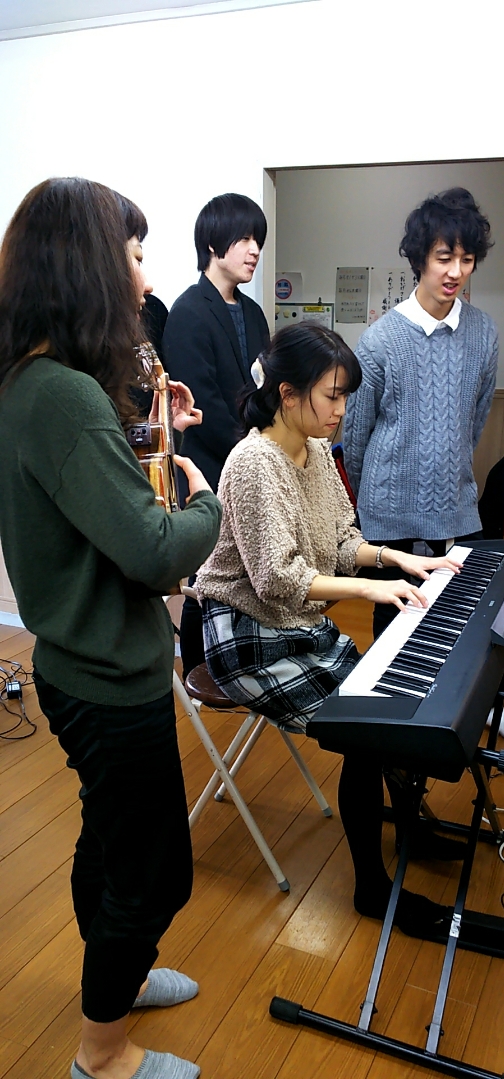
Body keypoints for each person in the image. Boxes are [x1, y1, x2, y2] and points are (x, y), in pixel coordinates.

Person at [0, 177, 223, 1079]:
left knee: (110, 838)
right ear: (89, 266)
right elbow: (154, 549)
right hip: (106, 677)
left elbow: (90, 492)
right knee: (155, 870)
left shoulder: (33, 382)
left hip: (76, 665)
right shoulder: (62, 396)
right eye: (133, 255)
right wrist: (207, 500)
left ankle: (115, 983)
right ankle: (103, 1052)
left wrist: (154, 431)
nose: (145, 276)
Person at [195, 322, 464, 939]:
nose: (342, 410)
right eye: (332, 396)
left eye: (345, 397)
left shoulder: (316, 451)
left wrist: (397, 560)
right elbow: (276, 579)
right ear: (288, 394)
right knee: (365, 732)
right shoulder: (253, 463)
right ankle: (372, 886)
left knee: (388, 706)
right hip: (245, 635)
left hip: (298, 625)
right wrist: (369, 590)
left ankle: (412, 828)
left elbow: (342, 541)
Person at [342, 187, 504, 748]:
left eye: (467, 259)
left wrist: (446, 471)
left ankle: (483, 711)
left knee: (475, 622)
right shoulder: (379, 341)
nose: (455, 272)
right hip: (390, 518)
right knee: (395, 635)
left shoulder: (483, 332)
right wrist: (384, 495)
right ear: (419, 258)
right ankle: (398, 733)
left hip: (455, 507)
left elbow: (474, 420)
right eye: (443, 257)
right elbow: (354, 441)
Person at [163, 192, 271, 678]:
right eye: (244, 238)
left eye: (257, 240)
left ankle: (237, 664)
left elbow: (264, 388)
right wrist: (253, 453)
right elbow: (200, 404)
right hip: (207, 469)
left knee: (242, 576)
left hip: (249, 462)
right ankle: (197, 673)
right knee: (204, 580)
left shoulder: (253, 313)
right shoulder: (188, 311)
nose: (254, 250)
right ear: (212, 243)